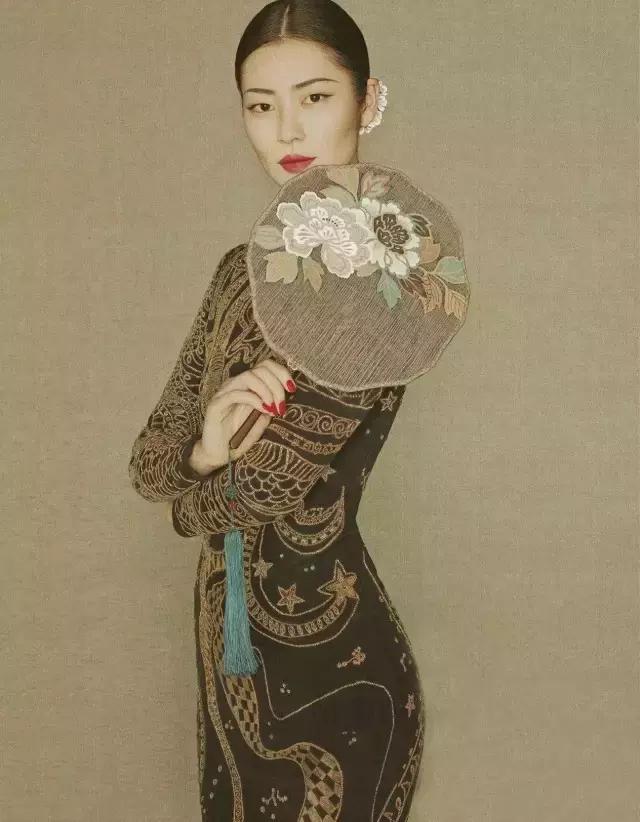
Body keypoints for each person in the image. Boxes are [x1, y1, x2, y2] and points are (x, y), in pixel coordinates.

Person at [128, 1, 427, 818]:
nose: (286, 128)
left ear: (369, 101)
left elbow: (266, 489)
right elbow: (150, 459)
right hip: (230, 663)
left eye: (316, 97)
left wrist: (191, 497)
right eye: (261, 105)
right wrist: (204, 450)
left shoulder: (387, 276)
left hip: (338, 665)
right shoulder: (238, 272)